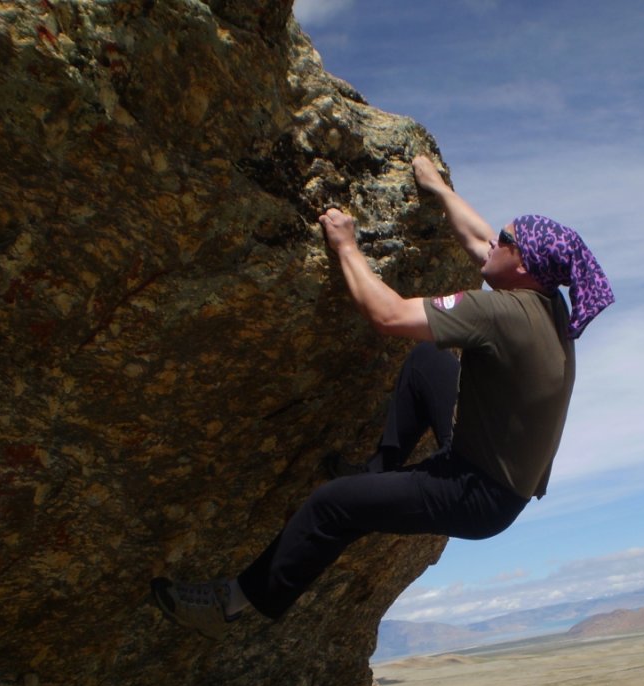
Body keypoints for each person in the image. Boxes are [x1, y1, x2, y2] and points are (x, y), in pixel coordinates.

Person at [151, 156, 614, 639]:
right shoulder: (547, 300)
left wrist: (346, 245)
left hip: (477, 492)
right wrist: (438, 188)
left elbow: (388, 316)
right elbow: (479, 239)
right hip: (494, 468)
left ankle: (235, 601)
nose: (493, 242)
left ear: (522, 263)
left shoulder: (501, 314)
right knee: (426, 360)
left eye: (506, 239)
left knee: (333, 504)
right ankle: (378, 473)